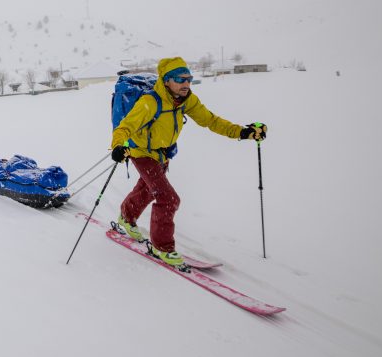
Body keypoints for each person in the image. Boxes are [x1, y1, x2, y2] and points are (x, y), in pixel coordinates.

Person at [109, 57, 267, 268]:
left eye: (189, 79)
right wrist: (118, 146)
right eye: (180, 79)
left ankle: (126, 217)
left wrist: (242, 132)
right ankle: (161, 246)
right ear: (166, 81)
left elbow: (210, 120)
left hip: (163, 153)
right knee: (168, 198)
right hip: (142, 153)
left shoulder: (187, 100)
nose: (186, 84)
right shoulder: (149, 102)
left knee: (147, 189)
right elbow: (124, 127)